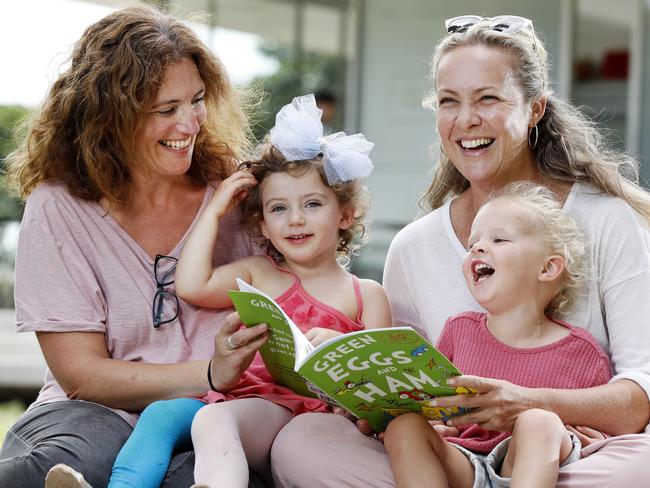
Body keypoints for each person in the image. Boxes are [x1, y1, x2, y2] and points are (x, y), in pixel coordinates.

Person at [271, 15, 650, 488]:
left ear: (535, 109)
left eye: (488, 98)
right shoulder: (415, 246)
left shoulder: (608, 220)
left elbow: (640, 398)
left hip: (575, 458)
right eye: (449, 101)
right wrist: (360, 391)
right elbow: (404, 389)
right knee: (303, 440)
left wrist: (532, 404)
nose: (466, 120)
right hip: (454, 462)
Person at [56, 94, 390, 488]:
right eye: (278, 209)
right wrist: (214, 210)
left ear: (346, 215)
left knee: (214, 420)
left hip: (297, 415)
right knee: (161, 416)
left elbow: (384, 385)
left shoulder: (365, 294)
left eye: (313, 204)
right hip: (237, 395)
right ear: (263, 225)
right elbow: (192, 284)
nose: (295, 219)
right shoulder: (259, 273)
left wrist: (338, 345)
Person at [0, 5, 270, 488]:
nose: (190, 125)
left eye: (198, 100)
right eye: (167, 110)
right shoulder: (59, 207)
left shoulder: (237, 189)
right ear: (110, 117)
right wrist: (211, 370)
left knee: (199, 474)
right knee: (75, 462)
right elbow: (81, 376)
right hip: (88, 412)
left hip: (211, 417)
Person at [384, 182, 611, 488]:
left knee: (538, 420)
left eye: (499, 239)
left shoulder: (583, 352)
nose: (477, 247)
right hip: (464, 462)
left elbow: (595, 432)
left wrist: (585, 435)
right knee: (404, 426)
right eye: (472, 244)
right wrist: (435, 426)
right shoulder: (458, 330)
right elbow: (437, 403)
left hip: (527, 466)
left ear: (548, 268)